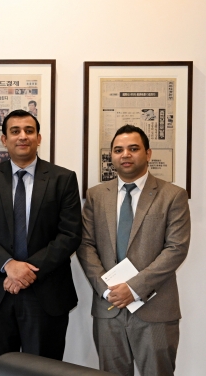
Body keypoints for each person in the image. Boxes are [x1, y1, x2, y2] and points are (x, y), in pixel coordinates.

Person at [0, 109, 82, 373]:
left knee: (45, 370)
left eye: (29, 131)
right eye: (15, 131)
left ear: (39, 137)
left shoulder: (63, 179)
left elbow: (70, 234)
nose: (23, 136)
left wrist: (27, 270)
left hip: (46, 293)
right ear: (3, 139)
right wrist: (8, 265)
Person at [76, 125, 190, 376]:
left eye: (133, 148)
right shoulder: (95, 196)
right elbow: (85, 245)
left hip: (156, 308)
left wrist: (134, 287)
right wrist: (107, 290)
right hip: (109, 308)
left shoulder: (173, 195)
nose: (125, 154)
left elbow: (176, 249)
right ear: (112, 156)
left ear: (148, 153)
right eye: (118, 150)